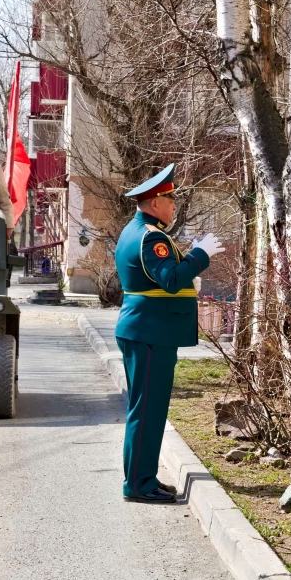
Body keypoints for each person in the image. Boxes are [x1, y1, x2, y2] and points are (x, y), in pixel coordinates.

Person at [114, 163, 223, 503]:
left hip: (148, 330)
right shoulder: (152, 237)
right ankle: (138, 485)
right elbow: (171, 279)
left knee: (148, 410)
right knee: (146, 411)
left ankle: (144, 477)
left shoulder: (136, 231)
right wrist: (200, 255)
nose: (174, 205)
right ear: (154, 202)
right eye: (171, 199)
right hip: (150, 332)